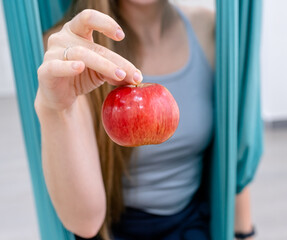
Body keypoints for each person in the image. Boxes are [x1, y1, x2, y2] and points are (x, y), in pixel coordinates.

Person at [35, 0, 255, 239]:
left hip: (195, 225)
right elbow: (85, 222)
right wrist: (57, 110)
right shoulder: (70, 52)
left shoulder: (211, 29)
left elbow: (231, 152)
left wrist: (244, 233)